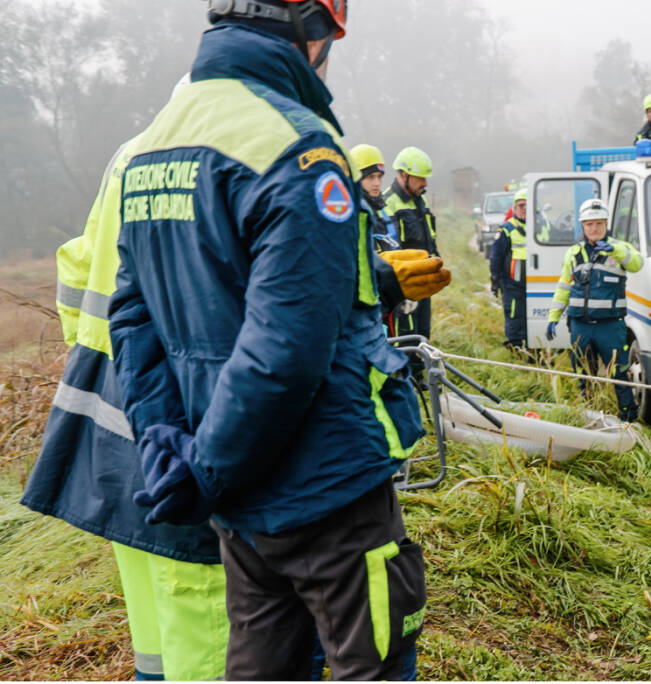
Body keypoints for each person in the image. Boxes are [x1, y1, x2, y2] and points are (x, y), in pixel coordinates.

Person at [106, 2, 428, 679]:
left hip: (238, 512)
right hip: (328, 492)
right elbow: (285, 348)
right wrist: (206, 469)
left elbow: (134, 320)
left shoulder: (149, 148)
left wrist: (170, 444)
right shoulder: (299, 146)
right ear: (309, 27)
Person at [20, 79, 229, 681]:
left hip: (107, 400)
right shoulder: (208, 157)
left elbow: (79, 260)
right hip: (175, 403)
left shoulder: (130, 152)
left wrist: (92, 345)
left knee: (150, 597)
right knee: (198, 598)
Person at [546, 198, 643, 421]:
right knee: (583, 375)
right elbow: (563, 288)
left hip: (610, 326)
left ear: (606, 224)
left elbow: (637, 263)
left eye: (599, 223)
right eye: (589, 224)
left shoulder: (620, 248)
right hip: (580, 325)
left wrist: (616, 251)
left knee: (619, 374)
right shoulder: (573, 253)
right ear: (583, 226)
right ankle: (588, 416)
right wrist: (554, 317)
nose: (594, 228)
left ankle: (629, 419)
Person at [383, 147, 438, 344]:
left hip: (423, 280)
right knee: (405, 333)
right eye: (420, 178)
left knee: (423, 331)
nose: (425, 183)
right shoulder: (387, 203)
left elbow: (429, 238)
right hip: (404, 284)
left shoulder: (421, 200)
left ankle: (421, 371)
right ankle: (407, 373)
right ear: (404, 176)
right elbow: (390, 249)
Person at [490, 188, 528, 350]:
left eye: (528, 205)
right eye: (521, 206)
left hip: (536, 282)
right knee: (514, 314)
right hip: (512, 283)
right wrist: (495, 279)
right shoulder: (507, 229)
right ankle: (515, 347)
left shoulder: (542, 226)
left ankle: (535, 347)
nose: (525, 209)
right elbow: (496, 256)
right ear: (514, 208)